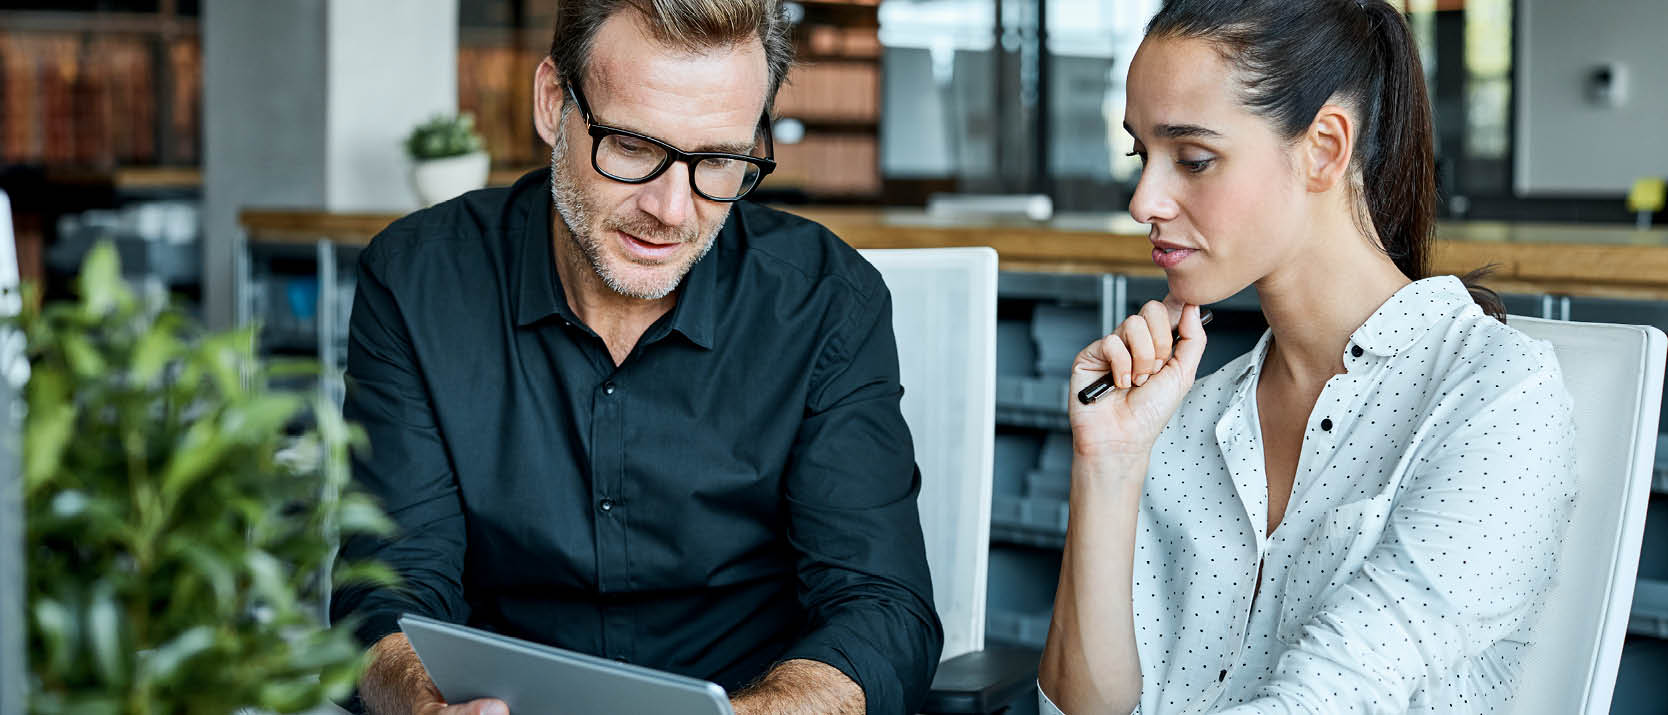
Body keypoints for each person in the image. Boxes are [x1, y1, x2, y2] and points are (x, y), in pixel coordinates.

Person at [328, 0, 943, 712]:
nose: (672, 209)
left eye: (718, 160)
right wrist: (423, 701)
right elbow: (388, 589)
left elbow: (881, 608)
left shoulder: (827, 302)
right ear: (554, 102)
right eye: (633, 146)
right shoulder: (416, 281)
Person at [1036, 1, 1577, 712]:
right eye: (1142, 155)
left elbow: (1331, 696)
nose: (1144, 201)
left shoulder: (1497, 399)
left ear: (1324, 147)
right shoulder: (1181, 415)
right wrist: (1106, 466)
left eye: (1194, 158)